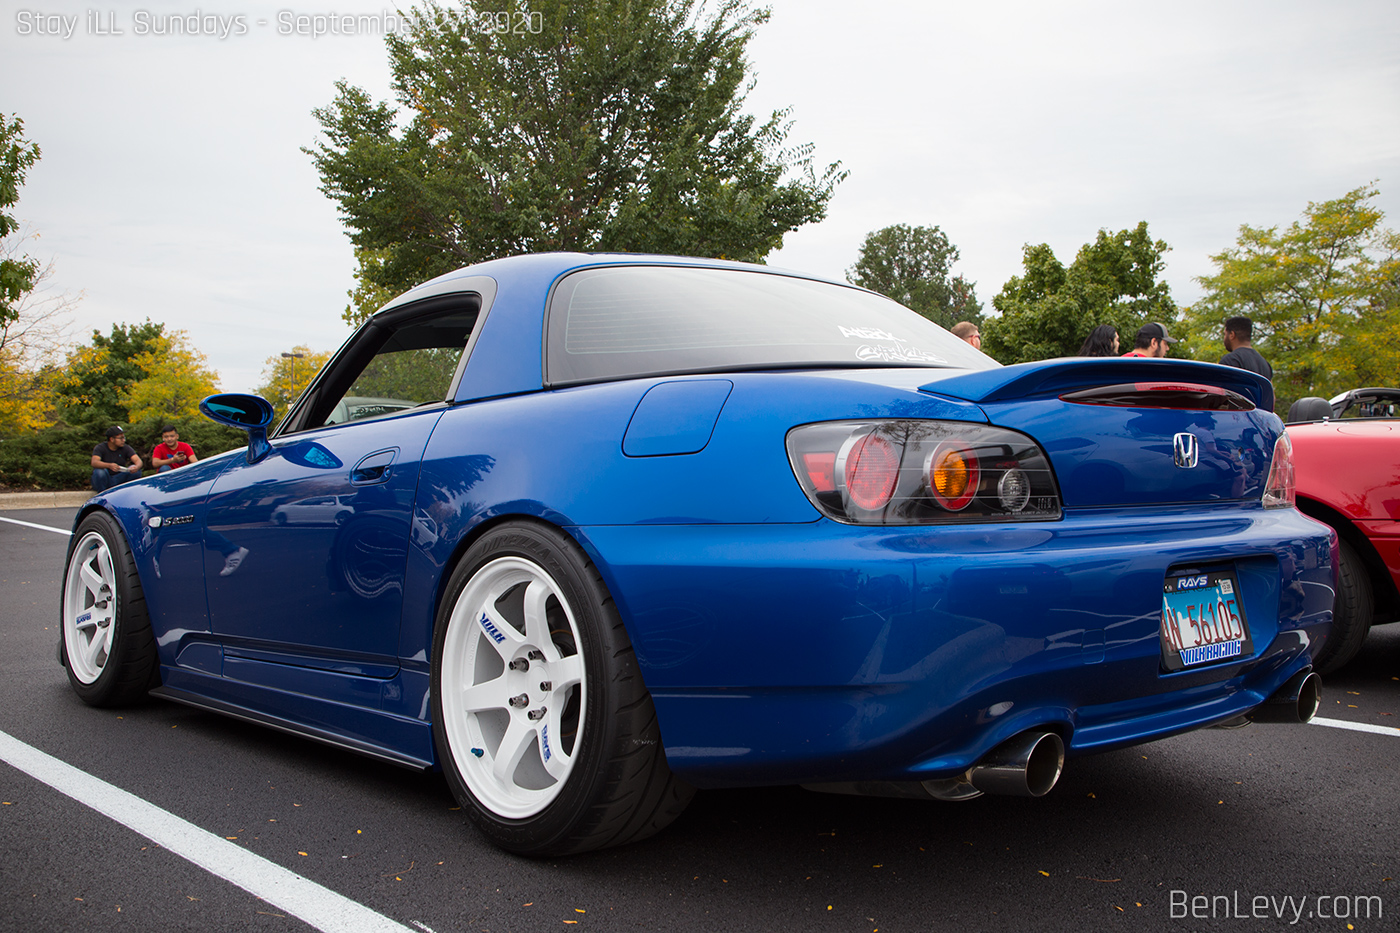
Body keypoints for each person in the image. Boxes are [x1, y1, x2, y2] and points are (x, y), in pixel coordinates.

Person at [91, 426, 143, 492]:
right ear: (112, 439)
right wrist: (109, 465)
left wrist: (136, 467)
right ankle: (102, 494)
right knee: (99, 472)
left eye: (124, 438)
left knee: (137, 471)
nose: (123, 440)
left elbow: (138, 461)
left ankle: (128, 491)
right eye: (121, 438)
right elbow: (94, 462)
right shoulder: (100, 448)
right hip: (105, 478)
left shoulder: (125, 448)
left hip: (119, 477)